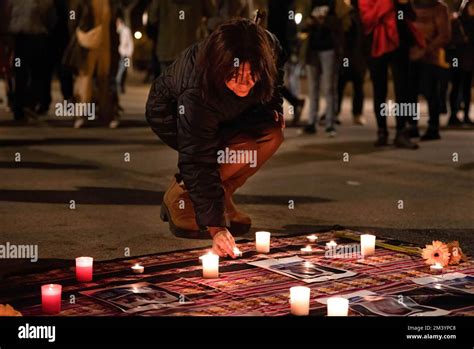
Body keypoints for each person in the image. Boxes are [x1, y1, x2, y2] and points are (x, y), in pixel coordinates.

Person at [146, 19, 285, 258]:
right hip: (171, 115)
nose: (244, 85)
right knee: (228, 149)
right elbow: (198, 157)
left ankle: (222, 196)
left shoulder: (269, 48)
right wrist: (216, 228)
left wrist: (274, 108)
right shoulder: (196, 87)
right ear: (220, 66)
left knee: (270, 133)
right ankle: (180, 194)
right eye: (235, 75)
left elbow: (274, 81)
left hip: (229, 111)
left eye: (252, 75)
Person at [359, 0, 424, 149]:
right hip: (377, 45)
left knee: (403, 90)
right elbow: (367, 20)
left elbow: (411, 16)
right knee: (379, 89)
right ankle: (382, 131)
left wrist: (404, 4)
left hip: (400, 43)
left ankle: (402, 131)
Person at [408, 0, 451, 140]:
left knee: (430, 93)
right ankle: (412, 126)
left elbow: (444, 35)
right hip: (411, 56)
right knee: (410, 93)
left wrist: (425, 50)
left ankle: (433, 127)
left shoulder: (439, 8)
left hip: (430, 59)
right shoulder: (411, 5)